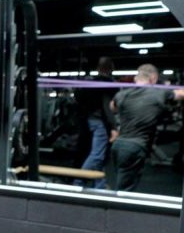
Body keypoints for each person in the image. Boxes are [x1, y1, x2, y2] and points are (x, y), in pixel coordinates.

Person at [110, 64, 184, 191]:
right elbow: (181, 94)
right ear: (153, 77)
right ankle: (114, 210)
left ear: (135, 78)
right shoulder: (158, 93)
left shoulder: (123, 94)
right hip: (135, 148)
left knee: (121, 183)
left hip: (118, 146)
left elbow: (113, 107)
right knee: (124, 192)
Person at [74, 57, 118, 188]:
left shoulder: (90, 84)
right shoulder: (109, 85)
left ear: (98, 68)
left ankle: (99, 183)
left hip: (88, 121)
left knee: (98, 153)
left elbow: (79, 101)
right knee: (97, 155)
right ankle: (78, 181)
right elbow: (107, 107)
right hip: (100, 122)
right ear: (111, 69)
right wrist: (113, 126)